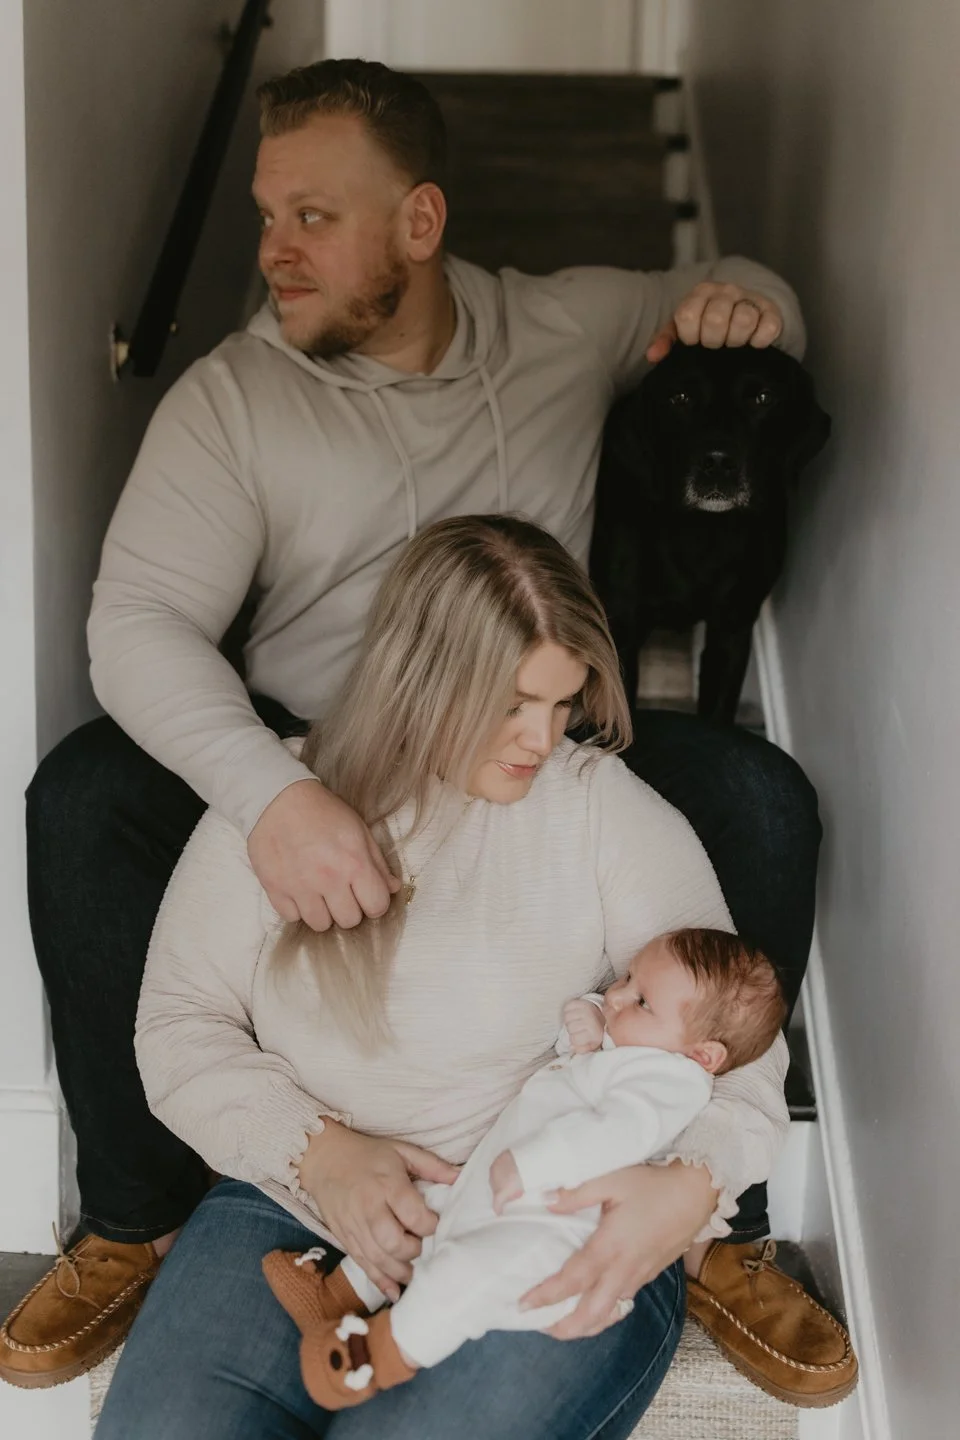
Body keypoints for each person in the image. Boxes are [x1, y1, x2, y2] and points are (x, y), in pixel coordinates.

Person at [0, 56, 852, 1406]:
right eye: (266, 215)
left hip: (537, 719)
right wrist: (274, 795)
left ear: (420, 220)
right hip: (314, 738)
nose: (273, 250)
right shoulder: (235, 398)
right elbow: (139, 624)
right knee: (83, 793)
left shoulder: (563, 326)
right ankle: (133, 1217)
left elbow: (754, 285)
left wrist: (751, 304)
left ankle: (715, 1228)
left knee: (758, 795)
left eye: (312, 216)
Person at [96, 514, 801, 1438]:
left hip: (546, 1230)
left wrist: (689, 1186)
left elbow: (738, 1052)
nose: (542, 738)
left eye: (562, 704)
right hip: (293, 1211)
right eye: (514, 704)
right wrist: (319, 1153)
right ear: (422, 676)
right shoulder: (278, 802)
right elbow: (177, 1026)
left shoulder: (602, 812)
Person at [260, 928, 789, 1411]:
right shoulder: (643, 1047)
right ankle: (337, 1295)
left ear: (704, 1056)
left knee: (463, 1276)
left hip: (550, 1234)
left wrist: (534, 1163)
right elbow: (584, 1064)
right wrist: (590, 1026)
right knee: (417, 1210)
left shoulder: (673, 1081)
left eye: (641, 1000)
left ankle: (376, 1356)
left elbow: (615, 1133)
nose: (616, 995)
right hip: (500, 1194)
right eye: (627, 977)